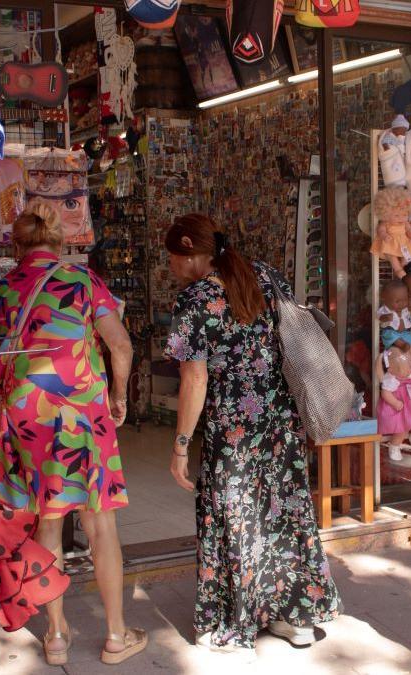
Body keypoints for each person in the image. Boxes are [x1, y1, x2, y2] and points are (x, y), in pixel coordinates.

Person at [163, 213, 341, 661]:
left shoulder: (195, 300)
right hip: (281, 421)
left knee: (236, 519)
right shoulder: (263, 274)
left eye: (172, 258)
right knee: (285, 514)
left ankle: (236, 621)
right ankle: (294, 617)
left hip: (233, 428)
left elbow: (195, 378)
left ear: (189, 250)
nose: (172, 267)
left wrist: (181, 445)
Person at [0, 200, 147, 666]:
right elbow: (121, 345)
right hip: (81, 416)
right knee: (100, 525)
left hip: (26, 418)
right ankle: (116, 636)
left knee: (46, 522)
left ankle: (55, 635)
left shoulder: (2, 290)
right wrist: (119, 396)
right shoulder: (83, 281)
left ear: (16, 246)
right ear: (60, 242)